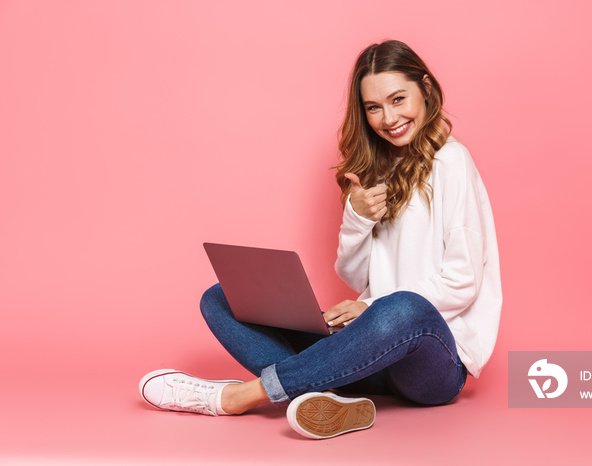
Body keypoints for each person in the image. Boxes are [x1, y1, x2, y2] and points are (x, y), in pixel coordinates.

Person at [139, 39, 502, 440]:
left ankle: (243, 396)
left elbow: (463, 280)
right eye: (374, 107)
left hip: (433, 363)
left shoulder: (452, 161)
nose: (389, 117)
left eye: (399, 99)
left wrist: (370, 308)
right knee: (220, 297)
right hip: (370, 352)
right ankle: (321, 397)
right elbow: (353, 273)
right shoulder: (375, 172)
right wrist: (357, 217)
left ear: (427, 90)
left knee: (405, 308)